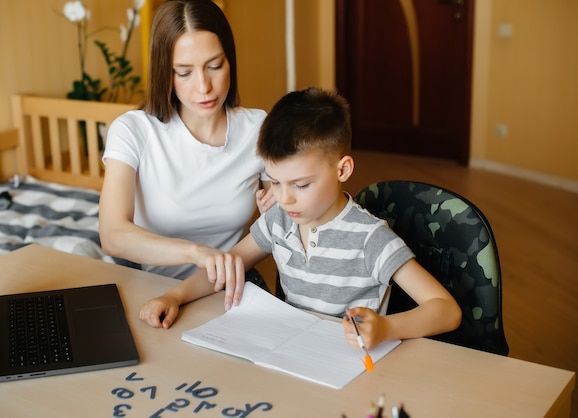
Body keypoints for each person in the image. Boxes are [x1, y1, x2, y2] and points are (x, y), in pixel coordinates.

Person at [140, 86, 461, 352]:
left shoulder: (369, 239)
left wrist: (387, 327)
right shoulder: (279, 221)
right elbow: (228, 264)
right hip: (289, 353)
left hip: (349, 367)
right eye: (275, 181)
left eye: (301, 185)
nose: (284, 198)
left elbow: (446, 310)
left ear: (342, 170)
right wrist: (174, 296)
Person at [99, 0, 275, 294]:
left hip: (225, 284)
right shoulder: (133, 130)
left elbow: (278, 226)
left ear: (230, 60)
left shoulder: (257, 128)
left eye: (215, 66)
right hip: (151, 286)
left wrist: (281, 207)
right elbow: (112, 235)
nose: (204, 86)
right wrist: (196, 253)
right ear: (164, 74)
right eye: (184, 72)